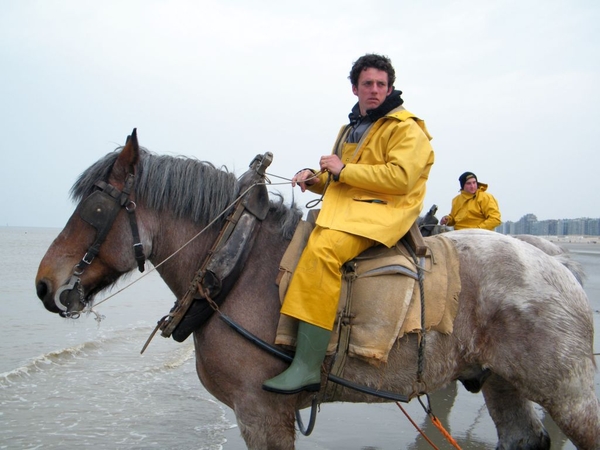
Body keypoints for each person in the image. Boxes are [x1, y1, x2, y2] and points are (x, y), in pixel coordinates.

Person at [263, 54, 435, 394]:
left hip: (382, 213)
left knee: (323, 253)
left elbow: (400, 178)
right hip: (347, 210)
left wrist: (341, 170)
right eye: (368, 84)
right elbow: (339, 179)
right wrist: (315, 179)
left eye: (381, 85)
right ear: (354, 88)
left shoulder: (406, 128)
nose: (375, 90)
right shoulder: (351, 128)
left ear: (390, 88)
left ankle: (309, 365)